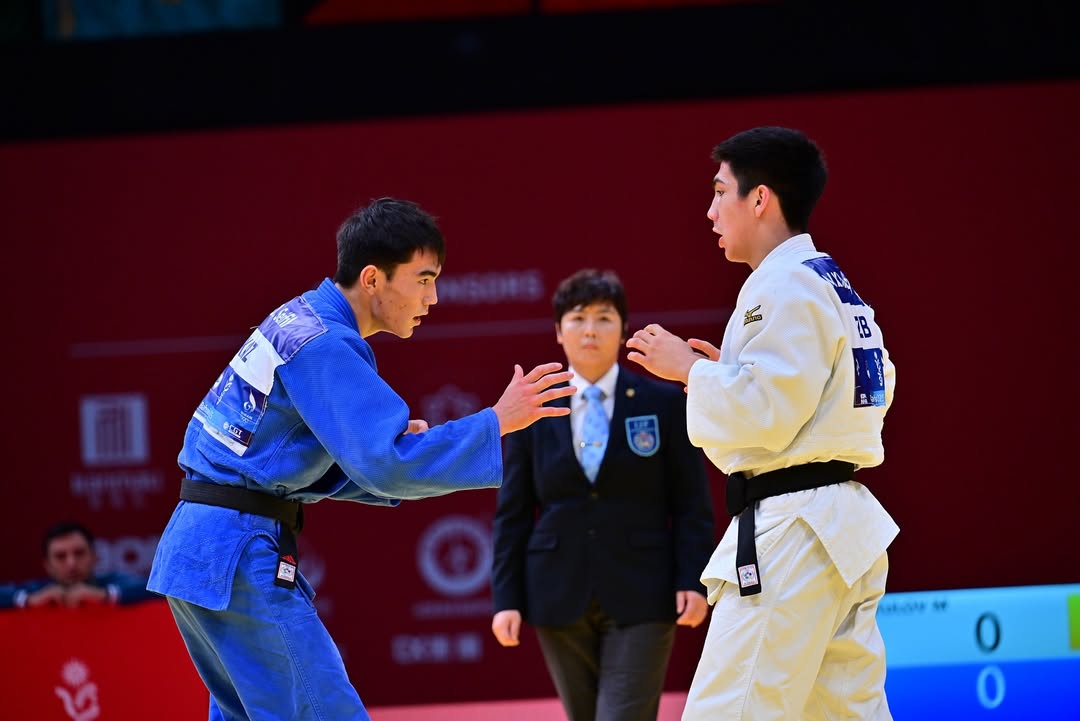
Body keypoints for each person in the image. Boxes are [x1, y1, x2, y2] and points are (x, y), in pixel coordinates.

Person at [147, 197, 576, 721]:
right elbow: (388, 464)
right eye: (423, 279)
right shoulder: (325, 342)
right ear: (372, 278)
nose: (434, 297)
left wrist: (378, 448)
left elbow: (293, 453)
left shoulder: (298, 318)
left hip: (202, 551)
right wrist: (496, 422)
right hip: (234, 551)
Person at [625, 126, 899, 721]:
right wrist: (721, 375)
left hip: (794, 529)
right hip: (839, 528)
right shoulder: (830, 280)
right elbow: (863, 389)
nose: (710, 211)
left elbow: (766, 416)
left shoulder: (782, 283)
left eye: (719, 191)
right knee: (841, 715)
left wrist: (689, 371)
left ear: (759, 199)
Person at [491, 269, 716, 721]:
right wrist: (506, 599)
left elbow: (691, 502)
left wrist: (693, 579)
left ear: (623, 329)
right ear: (559, 331)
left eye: (604, 318)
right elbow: (513, 512)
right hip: (557, 591)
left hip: (644, 589)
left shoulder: (662, 402)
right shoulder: (534, 410)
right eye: (577, 318)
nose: (590, 330)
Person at [0, 520, 157, 609]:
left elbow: (159, 591)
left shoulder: (112, 584)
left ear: (94, 557)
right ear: (47, 565)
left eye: (79, 553)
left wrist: (106, 596)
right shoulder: (36, 591)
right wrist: (26, 600)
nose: (71, 563)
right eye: (60, 557)